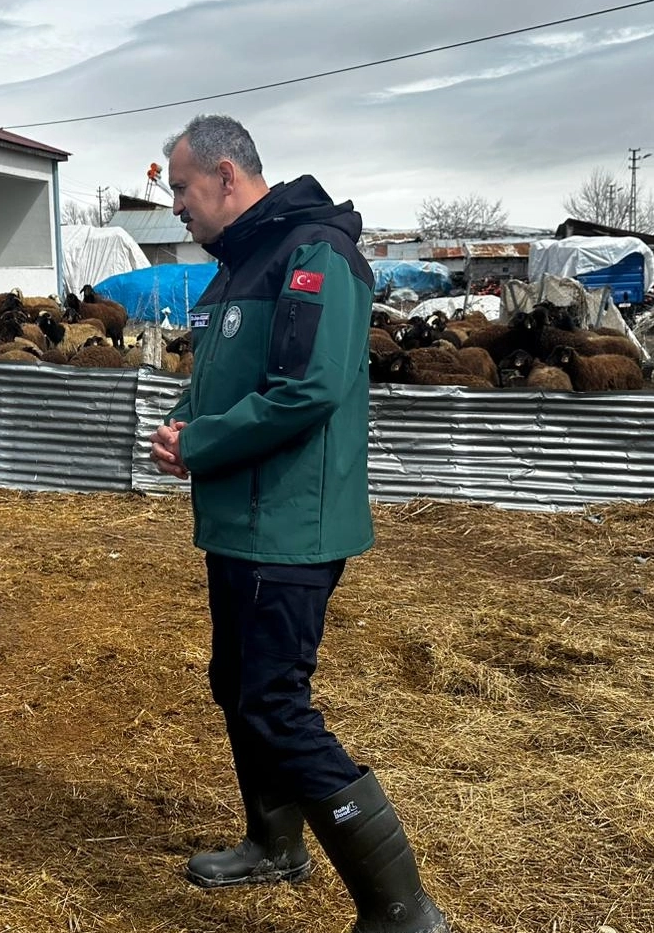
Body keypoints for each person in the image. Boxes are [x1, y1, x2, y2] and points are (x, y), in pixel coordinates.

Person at [150, 116, 449, 933]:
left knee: (276, 705)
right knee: (238, 688)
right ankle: (274, 845)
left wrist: (201, 443)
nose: (175, 205)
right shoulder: (237, 266)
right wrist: (183, 425)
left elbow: (307, 389)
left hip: (287, 525)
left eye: (181, 188)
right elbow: (218, 381)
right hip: (237, 520)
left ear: (225, 176)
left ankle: (402, 910)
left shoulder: (315, 253)